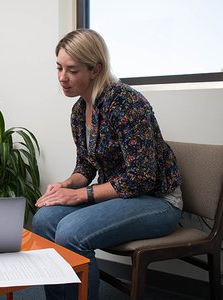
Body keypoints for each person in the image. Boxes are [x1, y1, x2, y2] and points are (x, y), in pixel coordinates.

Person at [32, 29, 183, 300]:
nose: (62, 78)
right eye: (59, 68)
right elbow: (86, 166)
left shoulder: (126, 103)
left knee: (71, 232)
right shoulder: (80, 110)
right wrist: (65, 185)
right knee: (43, 220)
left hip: (158, 201)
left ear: (95, 69)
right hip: (117, 197)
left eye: (72, 70)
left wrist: (80, 194)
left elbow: (141, 177)